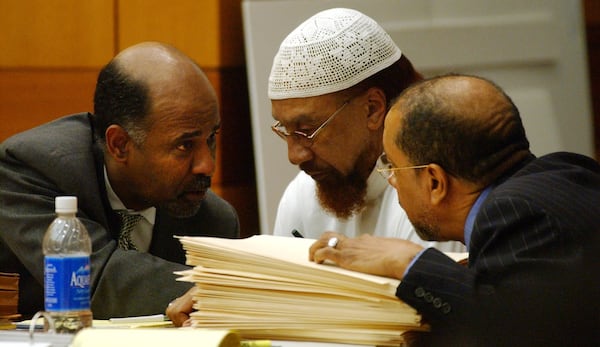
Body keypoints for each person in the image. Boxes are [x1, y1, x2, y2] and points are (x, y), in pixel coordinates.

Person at [309, 74, 600, 346]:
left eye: (394, 167)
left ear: (435, 181)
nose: (393, 180)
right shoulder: (569, 169)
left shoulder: (514, 212)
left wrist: (410, 262)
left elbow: (514, 330)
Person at [0, 42, 240, 321]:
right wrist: (222, 289)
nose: (208, 165)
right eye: (185, 145)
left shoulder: (214, 222)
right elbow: (99, 282)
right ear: (119, 144)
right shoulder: (32, 169)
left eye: (211, 139)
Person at [268, 8, 464, 252]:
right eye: (284, 129)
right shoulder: (303, 194)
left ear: (372, 109)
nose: (294, 156)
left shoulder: (433, 195)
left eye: (306, 130)